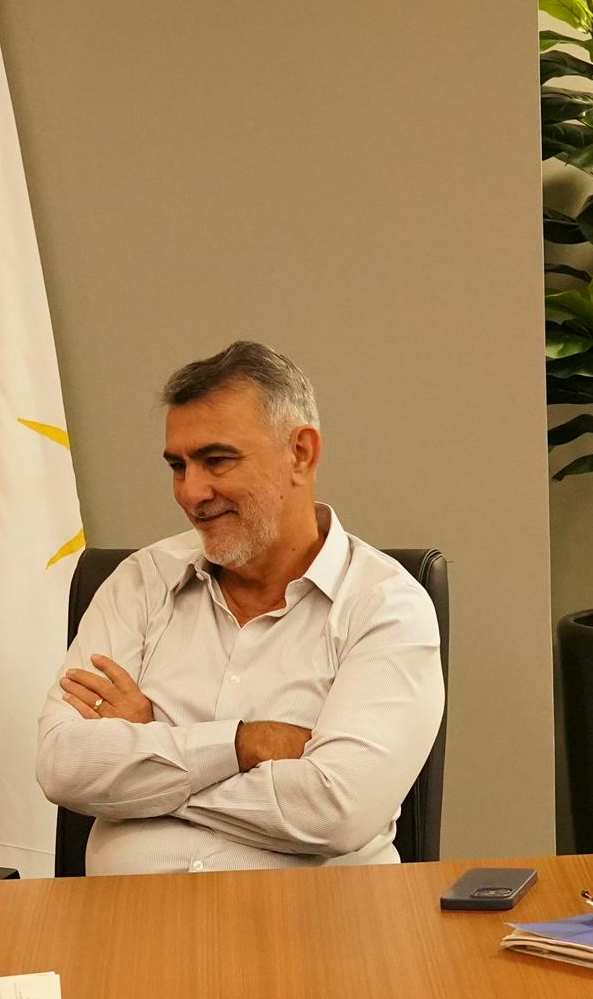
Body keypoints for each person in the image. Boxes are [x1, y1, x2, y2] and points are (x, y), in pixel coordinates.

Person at [36, 341, 447, 873]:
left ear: (301, 453)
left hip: (316, 938)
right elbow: (62, 768)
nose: (191, 492)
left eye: (216, 460)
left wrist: (147, 762)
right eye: (178, 466)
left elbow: (337, 812)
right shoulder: (140, 583)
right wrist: (244, 744)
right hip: (129, 932)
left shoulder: (385, 606)